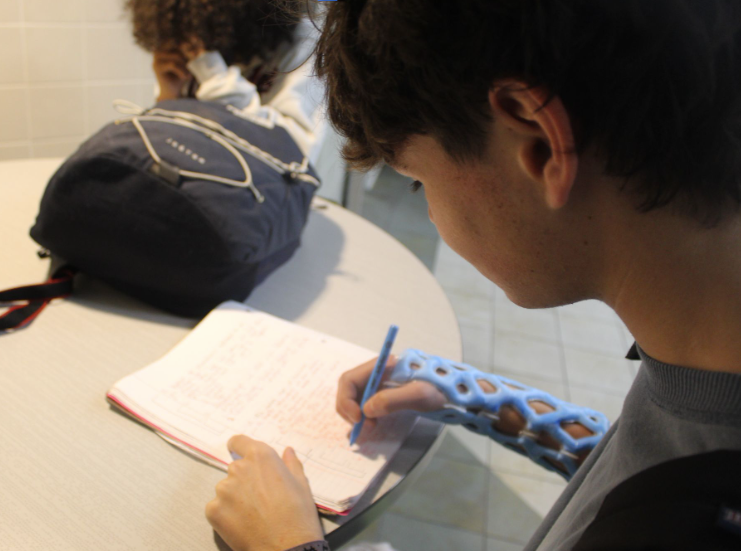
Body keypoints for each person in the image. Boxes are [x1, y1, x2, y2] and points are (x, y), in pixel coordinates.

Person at [204, 1, 741, 550]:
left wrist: (289, 544)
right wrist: (473, 396)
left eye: (418, 180)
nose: (433, 217)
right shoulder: (702, 343)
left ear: (536, 143)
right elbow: (641, 458)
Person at [125, 0, 322, 156]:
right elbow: (172, 150)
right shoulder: (193, 30)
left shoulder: (304, 41)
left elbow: (298, 152)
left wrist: (214, 77)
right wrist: (168, 99)